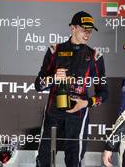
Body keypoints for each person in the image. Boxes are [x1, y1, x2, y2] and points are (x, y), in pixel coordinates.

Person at [35, 11, 109, 167]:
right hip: (53, 113)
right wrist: (53, 78)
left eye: (90, 30)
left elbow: (103, 92)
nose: (87, 34)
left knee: (74, 162)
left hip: (78, 115)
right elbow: (38, 84)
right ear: (73, 28)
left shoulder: (95, 56)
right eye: (84, 29)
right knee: (44, 160)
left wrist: (87, 103)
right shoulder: (55, 50)